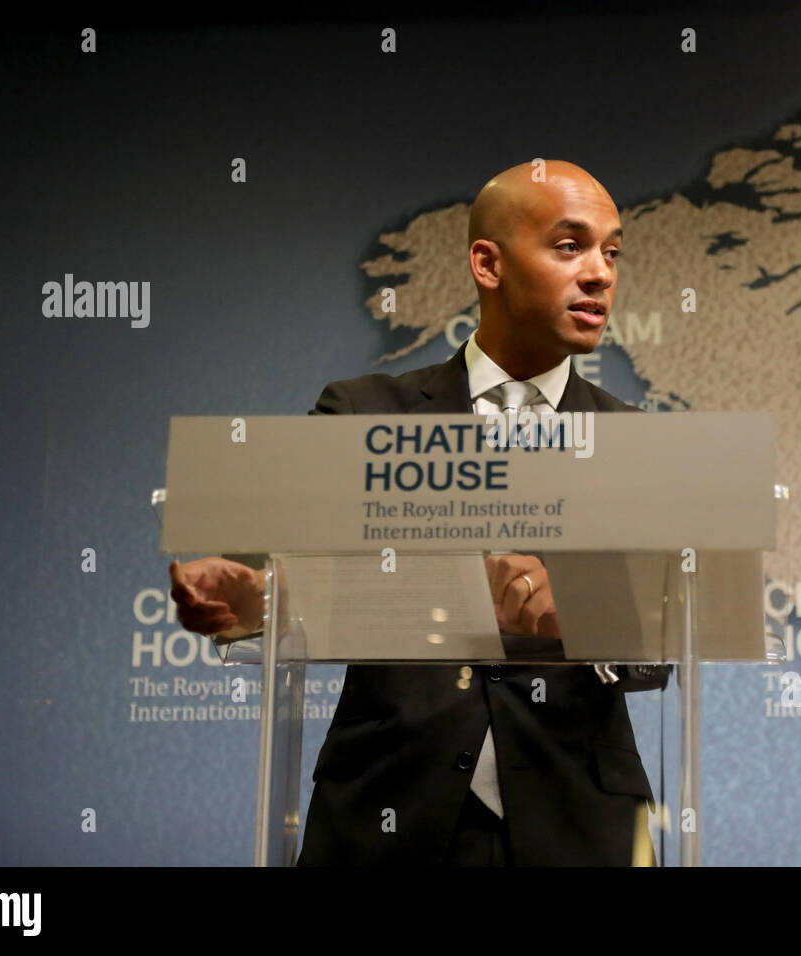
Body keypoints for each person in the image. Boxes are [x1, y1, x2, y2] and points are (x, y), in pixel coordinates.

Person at [170, 160, 668, 866]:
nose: (600, 273)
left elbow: (664, 649)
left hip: (577, 824)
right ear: (488, 264)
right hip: (385, 814)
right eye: (569, 246)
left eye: (611, 252)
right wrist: (252, 599)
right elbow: (270, 576)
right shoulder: (362, 414)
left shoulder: (640, 442)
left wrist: (588, 610)